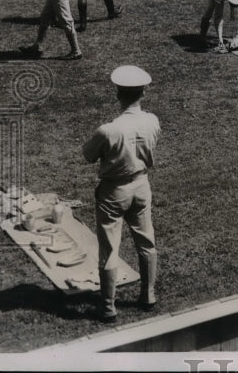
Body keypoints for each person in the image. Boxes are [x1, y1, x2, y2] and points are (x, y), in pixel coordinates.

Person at [82, 65, 160, 323]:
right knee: (146, 242)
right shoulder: (152, 120)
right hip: (141, 185)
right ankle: (148, 296)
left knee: (109, 248)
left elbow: (88, 155)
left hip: (113, 190)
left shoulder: (109, 129)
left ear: (118, 94)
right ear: (144, 93)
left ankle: (108, 308)